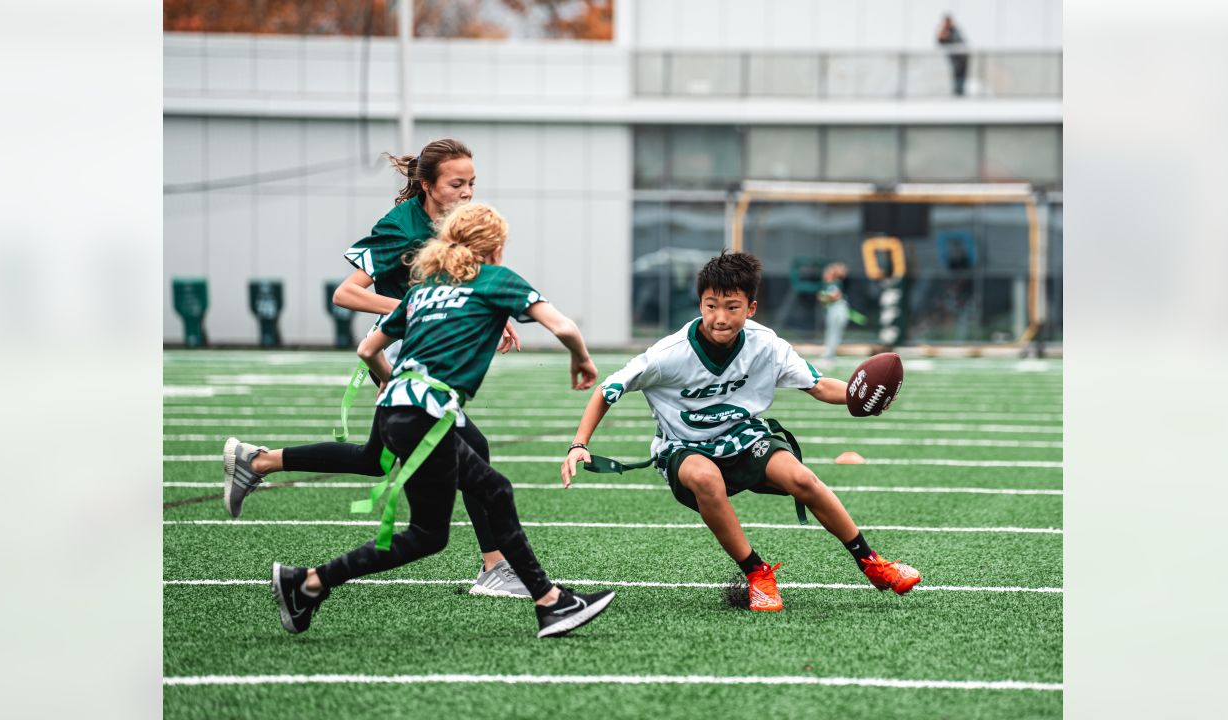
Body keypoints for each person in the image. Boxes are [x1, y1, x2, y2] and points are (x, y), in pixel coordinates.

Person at [272, 202, 616, 638]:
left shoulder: (425, 288)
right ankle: (549, 601)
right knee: (491, 493)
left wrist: (395, 387)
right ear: (494, 247)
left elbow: (366, 349)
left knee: (435, 530)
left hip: (395, 410)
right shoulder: (496, 279)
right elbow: (563, 326)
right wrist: (581, 362)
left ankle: (307, 584)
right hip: (426, 415)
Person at [223, 138, 532, 598]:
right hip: (394, 359)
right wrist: (414, 308)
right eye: (456, 183)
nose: (467, 192)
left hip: (418, 362)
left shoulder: (455, 227)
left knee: (375, 459)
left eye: (472, 183)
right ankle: (494, 566)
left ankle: (260, 460)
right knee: (474, 448)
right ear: (427, 185)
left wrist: (491, 313)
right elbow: (346, 293)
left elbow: (461, 286)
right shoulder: (399, 227)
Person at [560, 251, 921, 612]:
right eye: (711, 305)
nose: (720, 317)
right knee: (705, 478)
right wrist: (579, 444)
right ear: (700, 303)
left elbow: (818, 385)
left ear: (751, 308)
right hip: (683, 446)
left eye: (732, 307)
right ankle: (757, 573)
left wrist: (859, 397)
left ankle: (872, 563)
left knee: (803, 479)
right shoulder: (668, 353)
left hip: (743, 436)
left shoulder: (766, 345)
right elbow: (608, 390)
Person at [817, 261, 850, 367]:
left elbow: (835, 296)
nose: (825, 274)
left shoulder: (835, 283)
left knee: (834, 334)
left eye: (828, 272)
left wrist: (824, 297)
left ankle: (829, 357)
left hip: (838, 310)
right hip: (833, 310)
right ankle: (828, 356)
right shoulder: (827, 285)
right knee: (831, 333)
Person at [937, 14, 969, 97]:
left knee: (961, 76)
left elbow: (960, 43)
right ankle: (957, 93)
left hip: (962, 58)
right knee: (956, 75)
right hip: (955, 59)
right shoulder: (945, 31)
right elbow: (940, 41)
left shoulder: (955, 30)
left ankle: (960, 93)